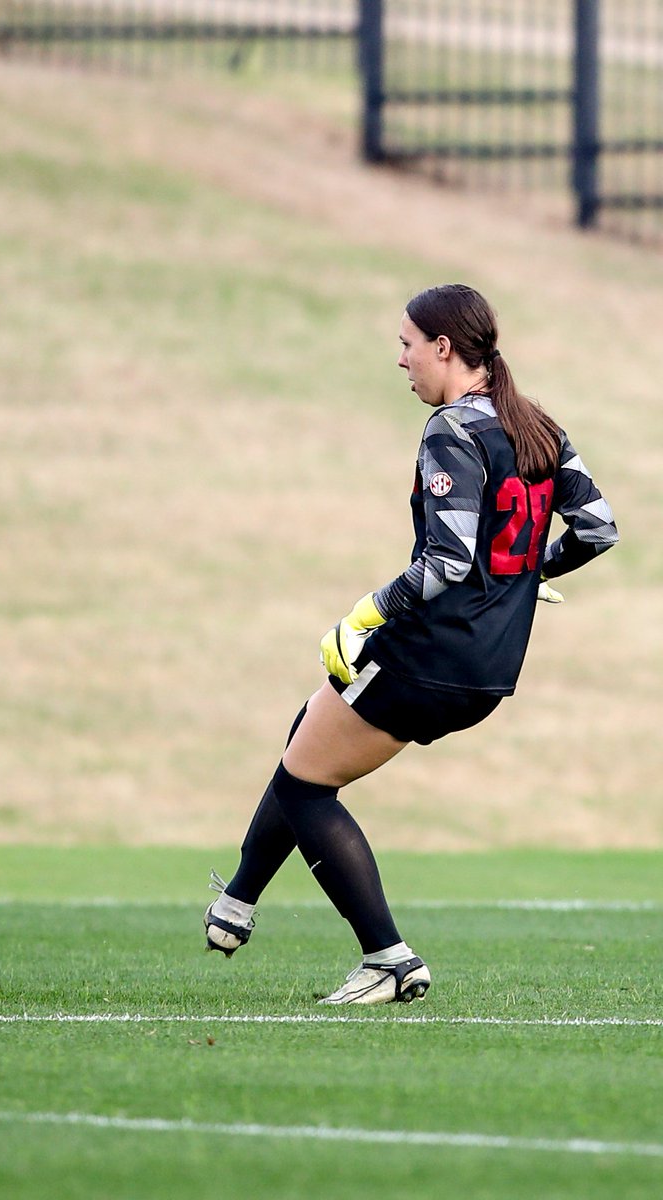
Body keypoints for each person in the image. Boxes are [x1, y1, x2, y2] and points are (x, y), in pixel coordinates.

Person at [204, 284, 619, 1005]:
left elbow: (448, 562)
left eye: (405, 344)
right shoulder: (539, 426)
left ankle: (387, 958)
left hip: (431, 651)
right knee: (310, 727)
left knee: (305, 784)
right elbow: (598, 529)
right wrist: (524, 578)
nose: (400, 361)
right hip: (490, 668)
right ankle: (237, 902)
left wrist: (365, 612)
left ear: (444, 347)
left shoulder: (452, 429)